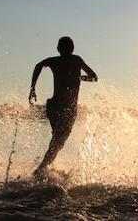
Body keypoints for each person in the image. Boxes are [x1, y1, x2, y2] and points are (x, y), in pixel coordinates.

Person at [29, 36, 97, 180]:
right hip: (68, 108)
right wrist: (80, 78)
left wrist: (33, 87)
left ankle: (44, 170)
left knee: (57, 138)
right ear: (73, 49)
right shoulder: (76, 60)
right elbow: (93, 77)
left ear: (58, 49)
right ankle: (41, 169)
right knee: (59, 139)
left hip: (53, 105)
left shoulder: (55, 61)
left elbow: (38, 65)